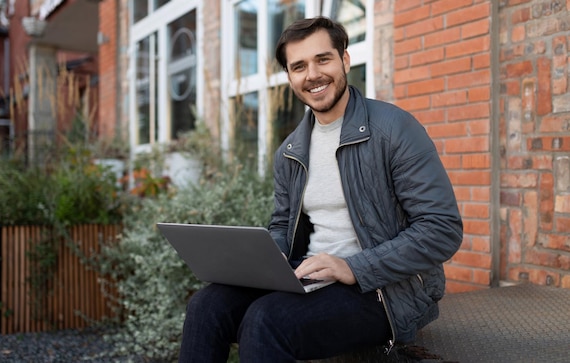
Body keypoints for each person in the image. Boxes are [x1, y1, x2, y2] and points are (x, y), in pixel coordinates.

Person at [178, 16, 463, 362]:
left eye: (322, 59)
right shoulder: (290, 151)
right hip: (309, 277)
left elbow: (442, 230)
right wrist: (273, 257)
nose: (312, 75)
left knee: (266, 321)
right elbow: (283, 224)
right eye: (298, 66)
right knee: (205, 306)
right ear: (290, 77)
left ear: (344, 60)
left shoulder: (394, 129)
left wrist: (354, 267)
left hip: (385, 291)